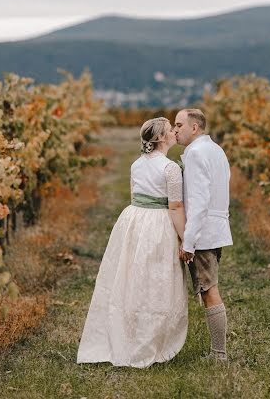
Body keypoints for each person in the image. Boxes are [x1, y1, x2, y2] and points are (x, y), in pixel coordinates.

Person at [77, 117, 188, 368]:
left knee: (133, 276)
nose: (174, 132)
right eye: (170, 130)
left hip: (134, 220)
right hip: (158, 224)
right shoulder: (170, 168)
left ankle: (129, 330)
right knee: (156, 279)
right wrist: (185, 238)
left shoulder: (137, 164)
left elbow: (134, 195)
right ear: (161, 138)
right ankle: (149, 337)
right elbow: (176, 205)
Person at [174, 108, 233, 362]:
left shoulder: (197, 154)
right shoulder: (216, 150)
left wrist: (189, 241)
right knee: (208, 288)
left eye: (178, 125)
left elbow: (198, 201)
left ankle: (218, 353)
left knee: (209, 290)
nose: (174, 130)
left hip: (203, 232)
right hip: (216, 227)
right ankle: (217, 352)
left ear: (194, 128)